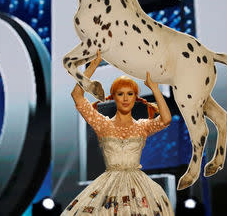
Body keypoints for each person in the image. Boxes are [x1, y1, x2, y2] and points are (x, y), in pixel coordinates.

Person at [62, 50, 174, 216]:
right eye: (120, 94)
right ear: (113, 97)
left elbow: (165, 119)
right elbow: (77, 96)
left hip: (140, 187)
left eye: (130, 94)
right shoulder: (103, 124)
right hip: (109, 185)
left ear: (136, 97)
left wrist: (155, 88)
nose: (125, 98)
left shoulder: (141, 126)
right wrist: (92, 67)